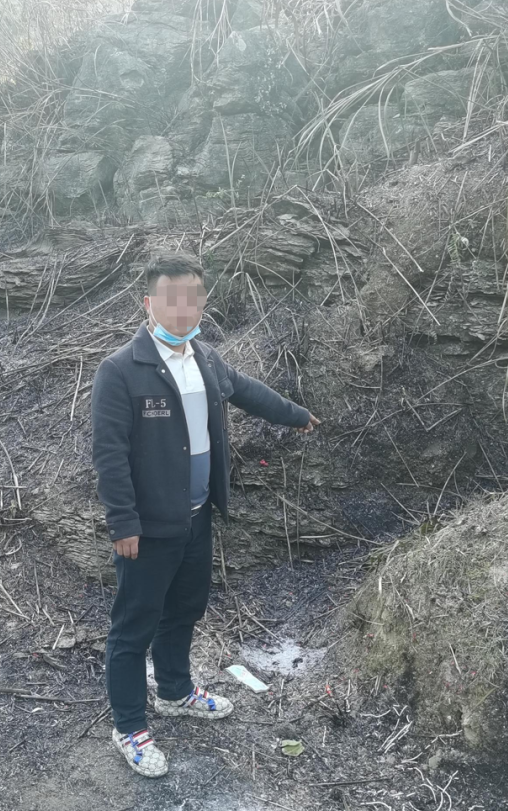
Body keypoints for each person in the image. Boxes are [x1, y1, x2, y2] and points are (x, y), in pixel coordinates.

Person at [91, 251, 322, 777]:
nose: (183, 308)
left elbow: (249, 393)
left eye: (192, 297)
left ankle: (175, 691)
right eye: (171, 298)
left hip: (197, 516)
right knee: (133, 626)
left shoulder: (206, 359)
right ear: (149, 303)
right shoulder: (120, 370)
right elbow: (109, 453)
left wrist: (296, 415)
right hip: (149, 526)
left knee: (185, 609)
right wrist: (122, 521)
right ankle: (129, 726)